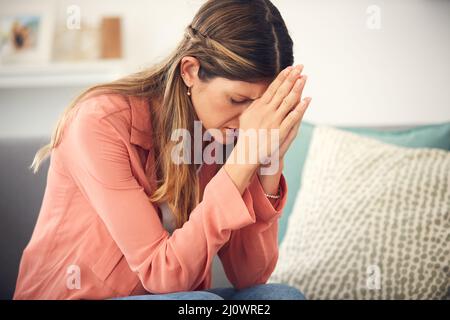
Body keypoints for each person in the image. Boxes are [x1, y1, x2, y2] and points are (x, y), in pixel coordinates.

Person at [14, 0, 311, 300]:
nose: (249, 121)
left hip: (175, 298)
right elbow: (163, 274)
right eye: (237, 100)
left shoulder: (226, 134)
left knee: (280, 297)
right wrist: (244, 159)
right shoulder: (98, 123)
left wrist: (269, 162)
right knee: (199, 303)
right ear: (191, 71)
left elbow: (250, 276)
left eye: (259, 108)